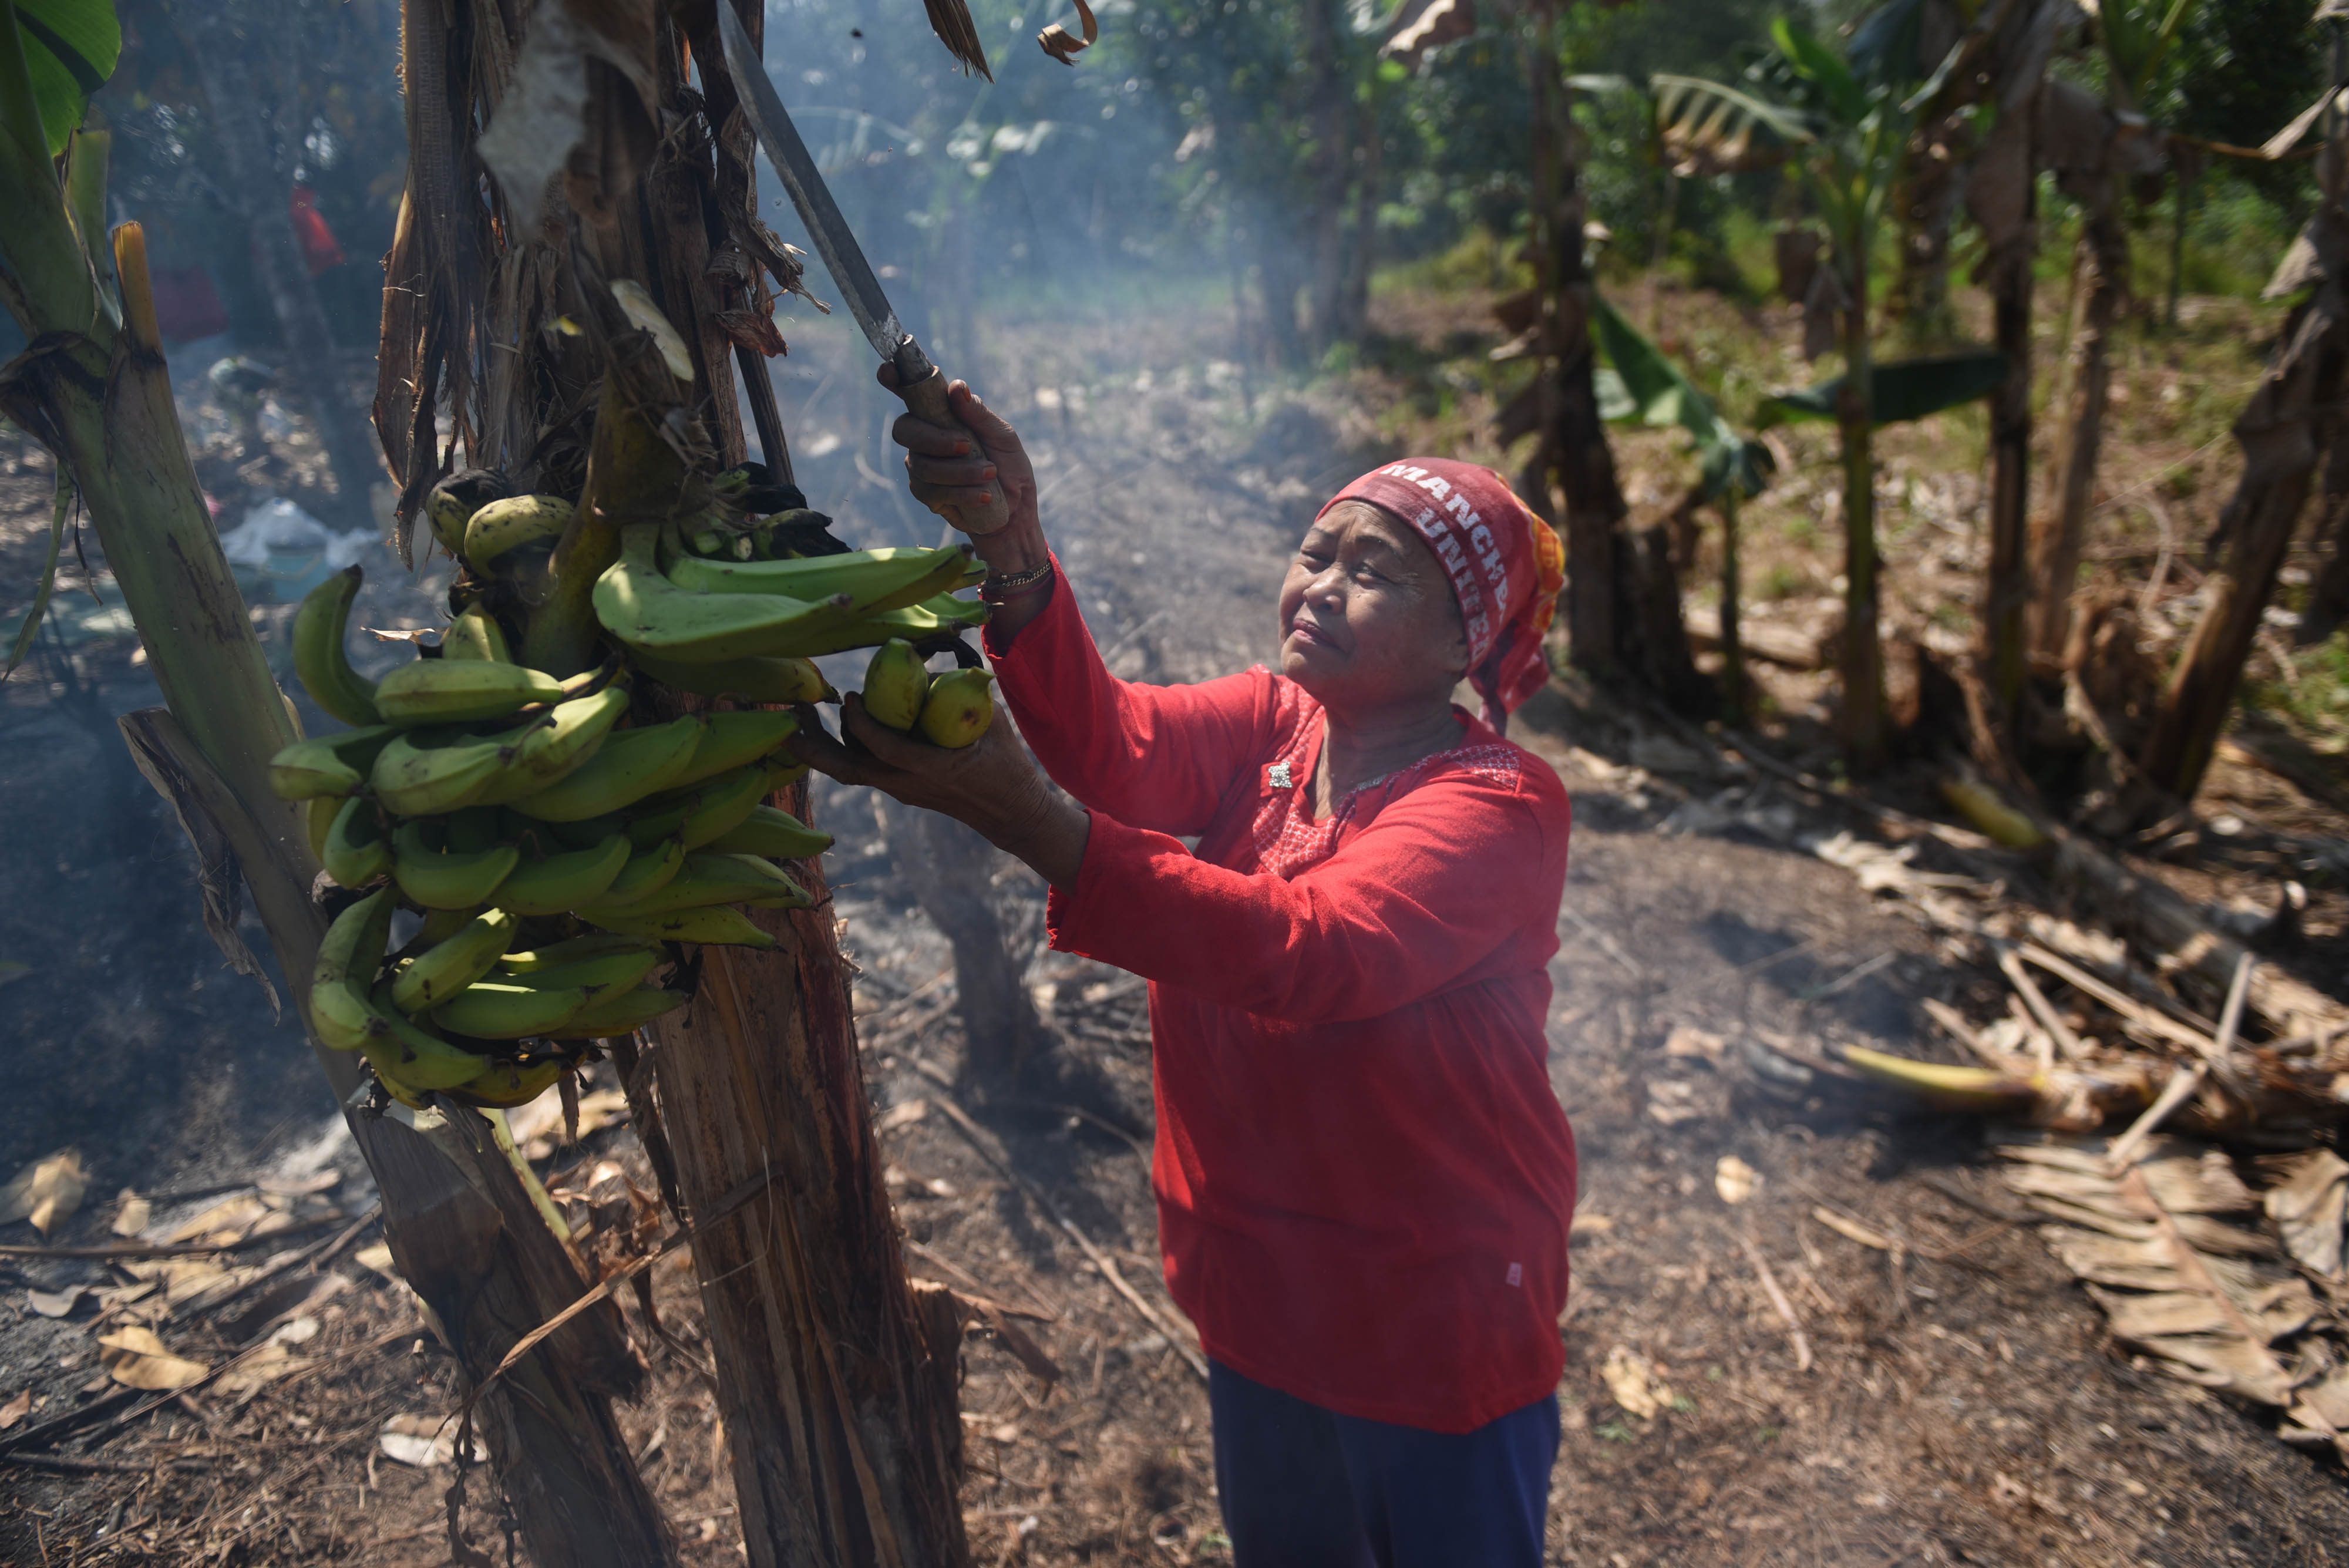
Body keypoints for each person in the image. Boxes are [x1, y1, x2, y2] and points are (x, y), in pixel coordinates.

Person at [795, 372, 1579, 1568]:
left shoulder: (1498, 808)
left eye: (1373, 574)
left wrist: (1028, 821)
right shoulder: (1272, 724)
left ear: (1457, 644)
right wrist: (1013, 548)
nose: (1320, 583)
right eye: (1317, 551)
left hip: (1429, 1315)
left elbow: (1310, 951)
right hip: (1259, 1290)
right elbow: (1109, 746)